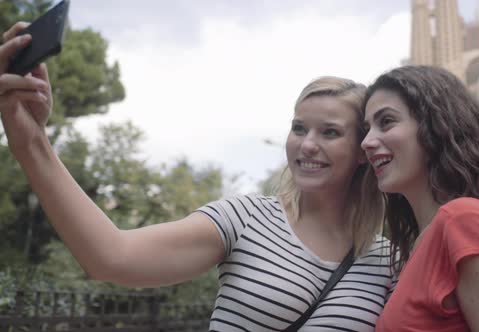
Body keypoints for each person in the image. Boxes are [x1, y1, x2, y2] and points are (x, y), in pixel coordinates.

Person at [0, 22, 394, 331]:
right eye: (299, 128)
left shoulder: (387, 261)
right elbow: (111, 257)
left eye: (330, 132)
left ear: (363, 150)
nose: (306, 145)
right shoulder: (245, 219)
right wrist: (31, 141)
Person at [360, 65, 479, 331]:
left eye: (386, 121)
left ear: (436, 125)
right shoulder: (426, 238)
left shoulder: (464, 219)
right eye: (367, 128)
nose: (367, 141)